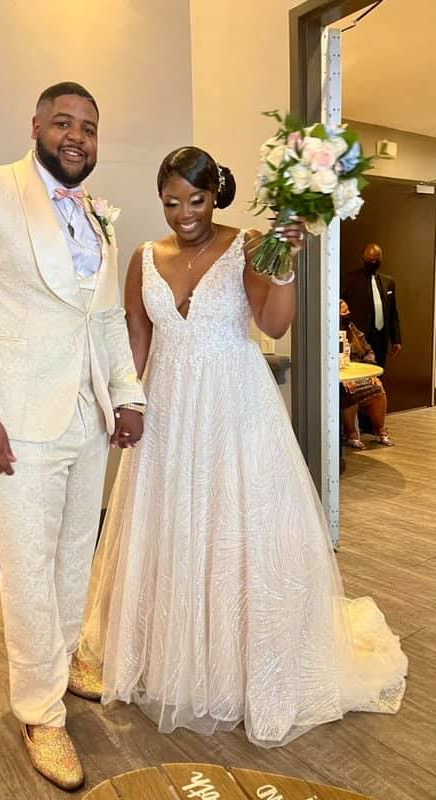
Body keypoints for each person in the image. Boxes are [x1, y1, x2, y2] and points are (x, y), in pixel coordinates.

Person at [77, 146, 407, 747]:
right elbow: (136, 334)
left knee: (235, 527)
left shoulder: (250, 243)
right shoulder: (143, 257)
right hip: (170, 409)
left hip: (235, 407)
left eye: (196, 201)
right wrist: (125, 403)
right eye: (171, 202)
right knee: (172, 526)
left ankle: (239, 666)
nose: (184, 214)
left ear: (215, 194)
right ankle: (170, 657)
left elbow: (274, 324)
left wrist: (284, 267)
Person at [0, 82, 145, 791]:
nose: (77, 134)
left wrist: (126, 394)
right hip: (16, 421)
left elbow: (106, 319)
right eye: (63, 121)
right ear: (36, 126)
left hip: (86, 417)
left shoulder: (97, 216)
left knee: (74, 556)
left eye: (89, 125)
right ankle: (39, 712)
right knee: (26, 569)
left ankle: (61, 664)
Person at [340, 300, 393, 449]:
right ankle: (351, 435)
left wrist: (370, 372)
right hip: (341, 380)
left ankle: (380, 432)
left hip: (358, 374)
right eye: (343, 312)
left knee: (377, 388)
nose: (347, 315)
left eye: (348, 311)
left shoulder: (352, 329)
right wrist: (343, 378)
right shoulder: (327, 333)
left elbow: (368, 351)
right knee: (349, 391)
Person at [342, 243, 401, 368]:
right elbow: (340, 305)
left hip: (381, 338)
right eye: (370, 260)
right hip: (360, 340)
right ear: (362, 259)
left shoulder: (388, 282)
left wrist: (396, 339)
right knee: (362, 377)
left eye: (376, 260)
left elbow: (392, 312)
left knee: (379, 373)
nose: (373, 263)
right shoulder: (350, 280)